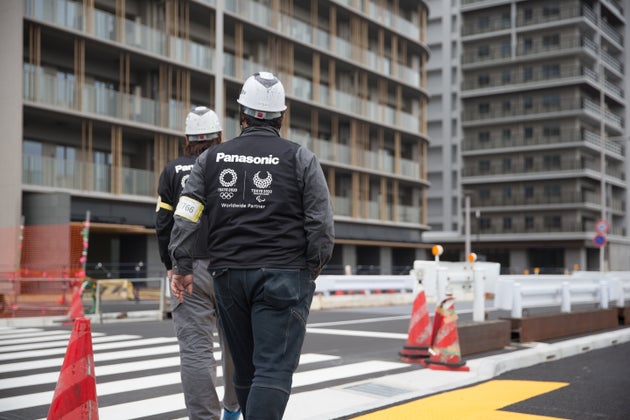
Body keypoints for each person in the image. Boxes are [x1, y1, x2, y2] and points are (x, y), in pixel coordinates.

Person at [169, 71, 335, 419]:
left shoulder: (211, 160)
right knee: (272, 368)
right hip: (284, 275)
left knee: (245, 371)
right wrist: (311, 270)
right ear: (282, 117)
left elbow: (186, 213)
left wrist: (182, 265)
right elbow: (320, 224)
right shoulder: (301, 158)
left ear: (241, 115)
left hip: (228, 275)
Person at [155, 106, 241, 420]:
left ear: (187, 138)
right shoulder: (231, 165)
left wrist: (172, 264)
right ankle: (233, 409)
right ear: (220, 136)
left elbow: (164, 222)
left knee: (195, 348)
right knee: (237, 345)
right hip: (232, 266)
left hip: (189, 267)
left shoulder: (172, 171)